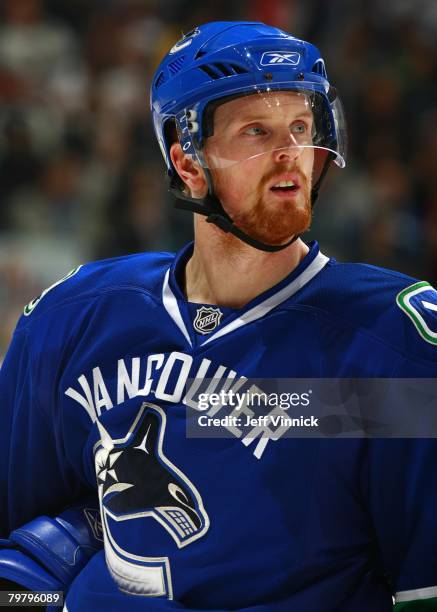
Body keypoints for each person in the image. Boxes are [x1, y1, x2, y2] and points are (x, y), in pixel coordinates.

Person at [0, 20, 436, 612]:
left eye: (302, 128)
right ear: (187, 163)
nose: (291, 157)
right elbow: (16, 557)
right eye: (257, 132)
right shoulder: (72, 317)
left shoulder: (395, 346)